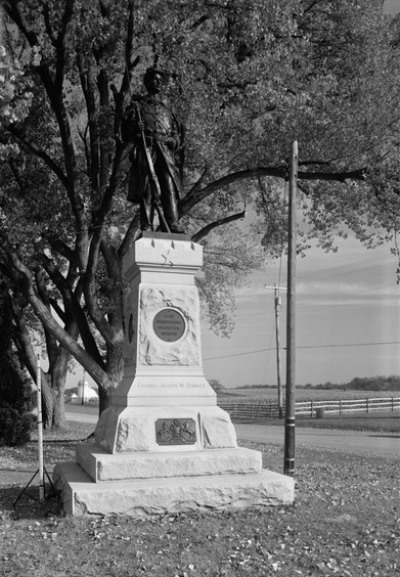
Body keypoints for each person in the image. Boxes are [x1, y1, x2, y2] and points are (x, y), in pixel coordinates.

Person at [124, 67, 184, 233]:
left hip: (165, 150)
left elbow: (176, 133)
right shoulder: (138, 105)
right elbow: (127, 133)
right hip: (148, 148)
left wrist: (174, 140)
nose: (157, 82)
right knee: (147, 187)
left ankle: (173, 222)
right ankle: (147, 224)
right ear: (146, 82)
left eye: (160, 80)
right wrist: (137, 130)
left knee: (168, 184)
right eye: (154, 79)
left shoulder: (168, 109)